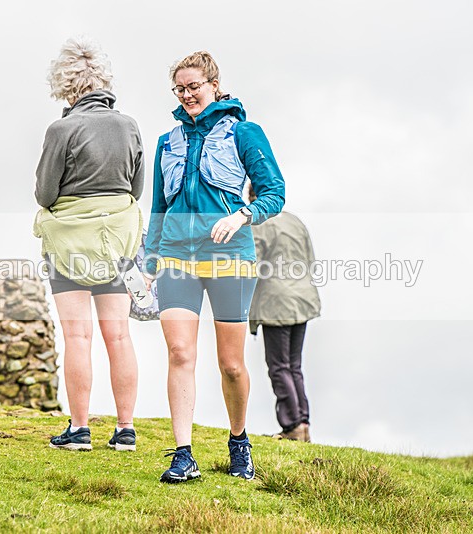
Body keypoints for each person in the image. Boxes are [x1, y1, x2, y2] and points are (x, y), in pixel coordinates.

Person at [144, 51, 285, 482]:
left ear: (214, 85)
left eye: (194, 87)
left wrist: (241, 215)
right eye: (179, 89)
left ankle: (239, 440)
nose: (186, 95)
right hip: (175, 256)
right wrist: (149, 262)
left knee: (231, 364)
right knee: (180, 352)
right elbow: (158, 207)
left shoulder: (245, 132)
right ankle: (183, 454)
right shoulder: (168, 142)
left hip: (230, 256)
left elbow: (274, 192)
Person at [34, 37, 143, 452]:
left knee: (78, 337)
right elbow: (135, 187)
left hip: (70, 244)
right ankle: (125, 429)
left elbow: (45, 194)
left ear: (65, 83)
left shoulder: (61, 129)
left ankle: (79, 429)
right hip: (117, 241)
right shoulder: (129, 125)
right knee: (119, 336)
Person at [247, 184, 321, 442]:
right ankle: (303, 423)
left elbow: (250, 266)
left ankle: (292, 426)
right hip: (303, 298)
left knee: (279, 366)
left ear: (251, 196)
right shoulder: (295, 221)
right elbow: (310, 260)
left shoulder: (259, 225)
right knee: (294, 365)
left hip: (276, 302)